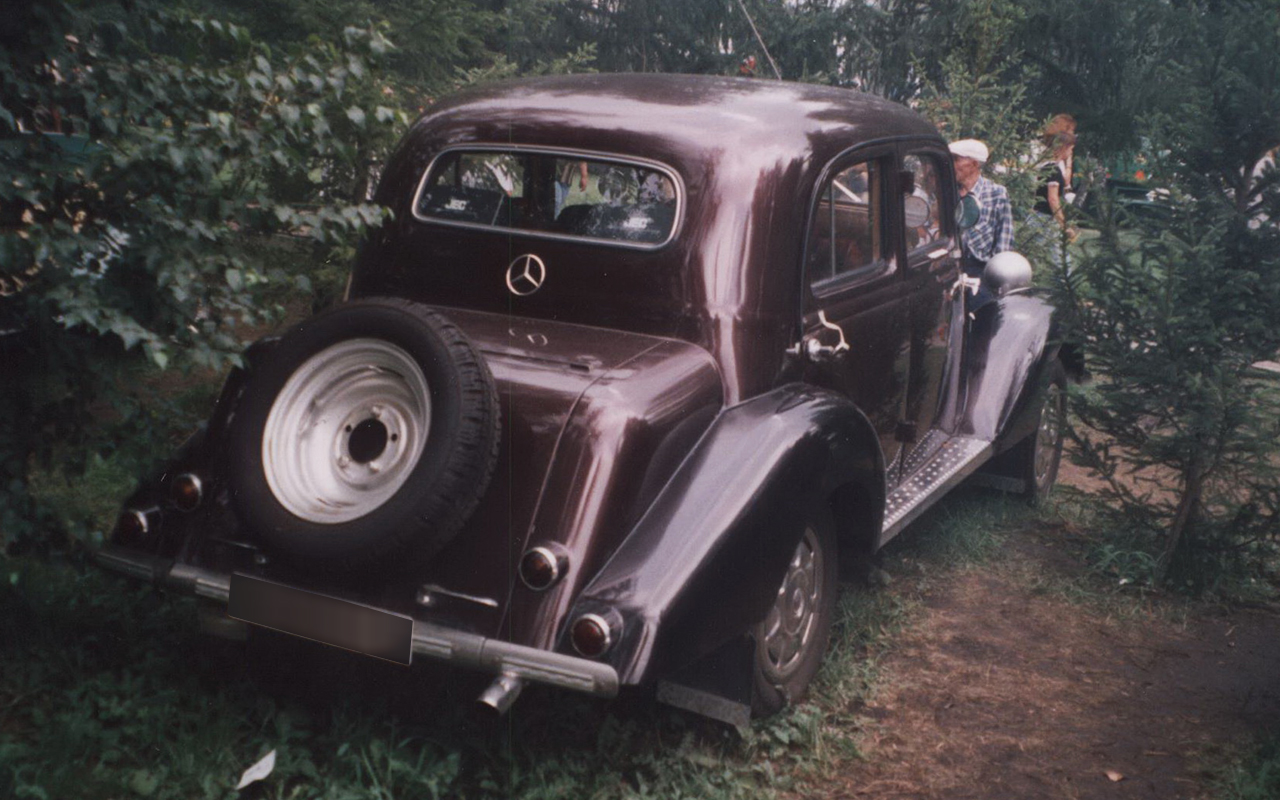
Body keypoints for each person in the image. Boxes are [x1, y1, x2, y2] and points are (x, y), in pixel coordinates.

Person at [949, 138, 1013, 277]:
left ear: (974, 164)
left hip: (980, 269)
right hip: (948, 267)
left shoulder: (996, 193)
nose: (950, 164)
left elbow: (1004, 238)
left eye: (955, 159)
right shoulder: (946, 191)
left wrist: (998, 275)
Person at [1027, 130, 1077, 270]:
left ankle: (1064, 280)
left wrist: (1068, 162)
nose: (1071, 153)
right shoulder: (1053, 170)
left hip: (1039, 216)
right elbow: (1053, 199)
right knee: (1042, 255)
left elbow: (1066, 180)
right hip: (1044, 219)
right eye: (1071, 149)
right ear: (1064, 147)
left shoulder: (1049, 167)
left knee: (1053, 253)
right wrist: (1064, 225)